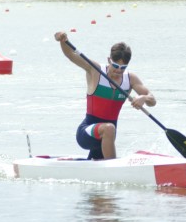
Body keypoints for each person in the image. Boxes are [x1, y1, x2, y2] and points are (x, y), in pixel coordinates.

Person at [54, 31, 156, 160]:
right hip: (87, 133)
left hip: (107, 137)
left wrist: (143, 98)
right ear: (109, 60)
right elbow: (71, 55)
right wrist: (63, 40)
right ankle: (113, 167)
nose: (118, 70)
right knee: (109, 128)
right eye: (115, 65)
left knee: (98, 156)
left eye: (123, 67)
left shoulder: (130, 79)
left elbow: (152, 100)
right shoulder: (95, 70)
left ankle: (78, 163)